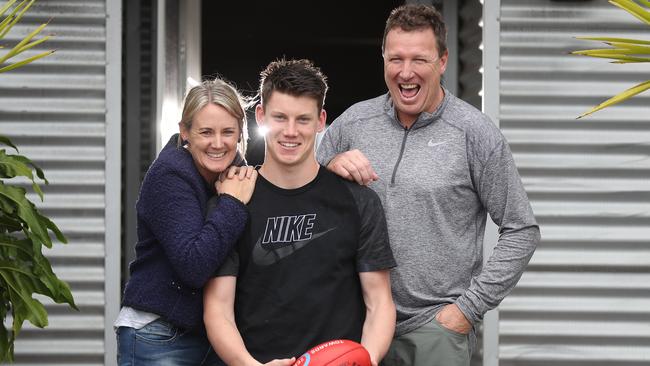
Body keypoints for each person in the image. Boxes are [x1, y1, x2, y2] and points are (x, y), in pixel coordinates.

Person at [316, 4, 540, 366]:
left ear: (443, 61)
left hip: (433, 330)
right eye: (395, 59)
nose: (406, 72)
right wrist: (327, 165)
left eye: (419, 59)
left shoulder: (474, 133)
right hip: (357, 324)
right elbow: (300, 189)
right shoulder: (355, 122)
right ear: (384, 59)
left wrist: (466, 310)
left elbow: (521, 228)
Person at [203, 59, 397, 366]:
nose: (291, 132)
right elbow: (218, 308)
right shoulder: (232, 204)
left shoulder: (358, 202)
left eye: (303, 120)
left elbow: (380, 303)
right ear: (261, 115)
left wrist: (365, 360)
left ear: (321, 120)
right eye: (279, 118)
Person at [115, 78, 258, 366]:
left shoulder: (237, 173)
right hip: (159, 334)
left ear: (241, 133)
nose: (218, 143)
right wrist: (230, 203)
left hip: (212, 336)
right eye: (206, 132)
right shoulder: (169, 176)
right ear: (185, 132)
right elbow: (193, 265)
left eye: (228, 132)